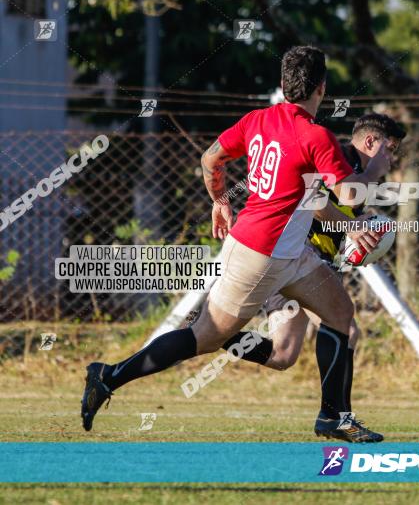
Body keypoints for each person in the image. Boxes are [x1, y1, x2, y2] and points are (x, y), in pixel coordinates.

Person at [80, 46, 389, 442]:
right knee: (205, 338)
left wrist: (219, 200)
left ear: (282, 85)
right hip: (258, 255)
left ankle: (334, 417)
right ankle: (108, 376)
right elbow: (347, 196)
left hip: (289, 254)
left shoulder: (258, 120)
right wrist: (376, 169)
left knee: (340, 314)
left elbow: (211, 160)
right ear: (322, 88)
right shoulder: (316, 135)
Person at [216, 113, 407, 429]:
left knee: (283, 354)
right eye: (391, 148)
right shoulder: (338, 159)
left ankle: (214, 332)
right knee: (349, 330)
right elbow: (313, 203)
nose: (392, 158)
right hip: (299, 259)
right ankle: (337, 418)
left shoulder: (360, 174)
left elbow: (344, 214)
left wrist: (364, 233)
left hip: (315, 261)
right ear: (371, 142)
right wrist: (353, 226)